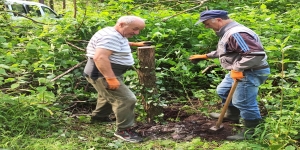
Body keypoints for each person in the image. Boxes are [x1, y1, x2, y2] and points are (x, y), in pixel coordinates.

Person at [189, 10, 270, 140]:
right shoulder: (228, 32)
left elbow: (255, 54)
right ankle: (232, 115)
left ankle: (251, 131)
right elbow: (228, 50)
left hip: (250, 72)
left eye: (207, 23)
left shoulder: (237, 33)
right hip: (239, 70)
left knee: (244, 102)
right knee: (223, 90)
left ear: (219, 20)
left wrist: (238, 68)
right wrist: (206, 56)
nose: (206, 27)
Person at [83, 15, 152, 143]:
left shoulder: (114, 32)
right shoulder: (111, 36)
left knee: (107, 95)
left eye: (139, 30)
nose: (137, 32)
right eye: (135, 29)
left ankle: (99, 118)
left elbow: (116, 44)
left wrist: (134, 44)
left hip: (103, 72)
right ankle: (124, 130)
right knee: (126, 99)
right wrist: (110, 78)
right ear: (121, 24)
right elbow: (100, 58)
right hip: (102, 73)